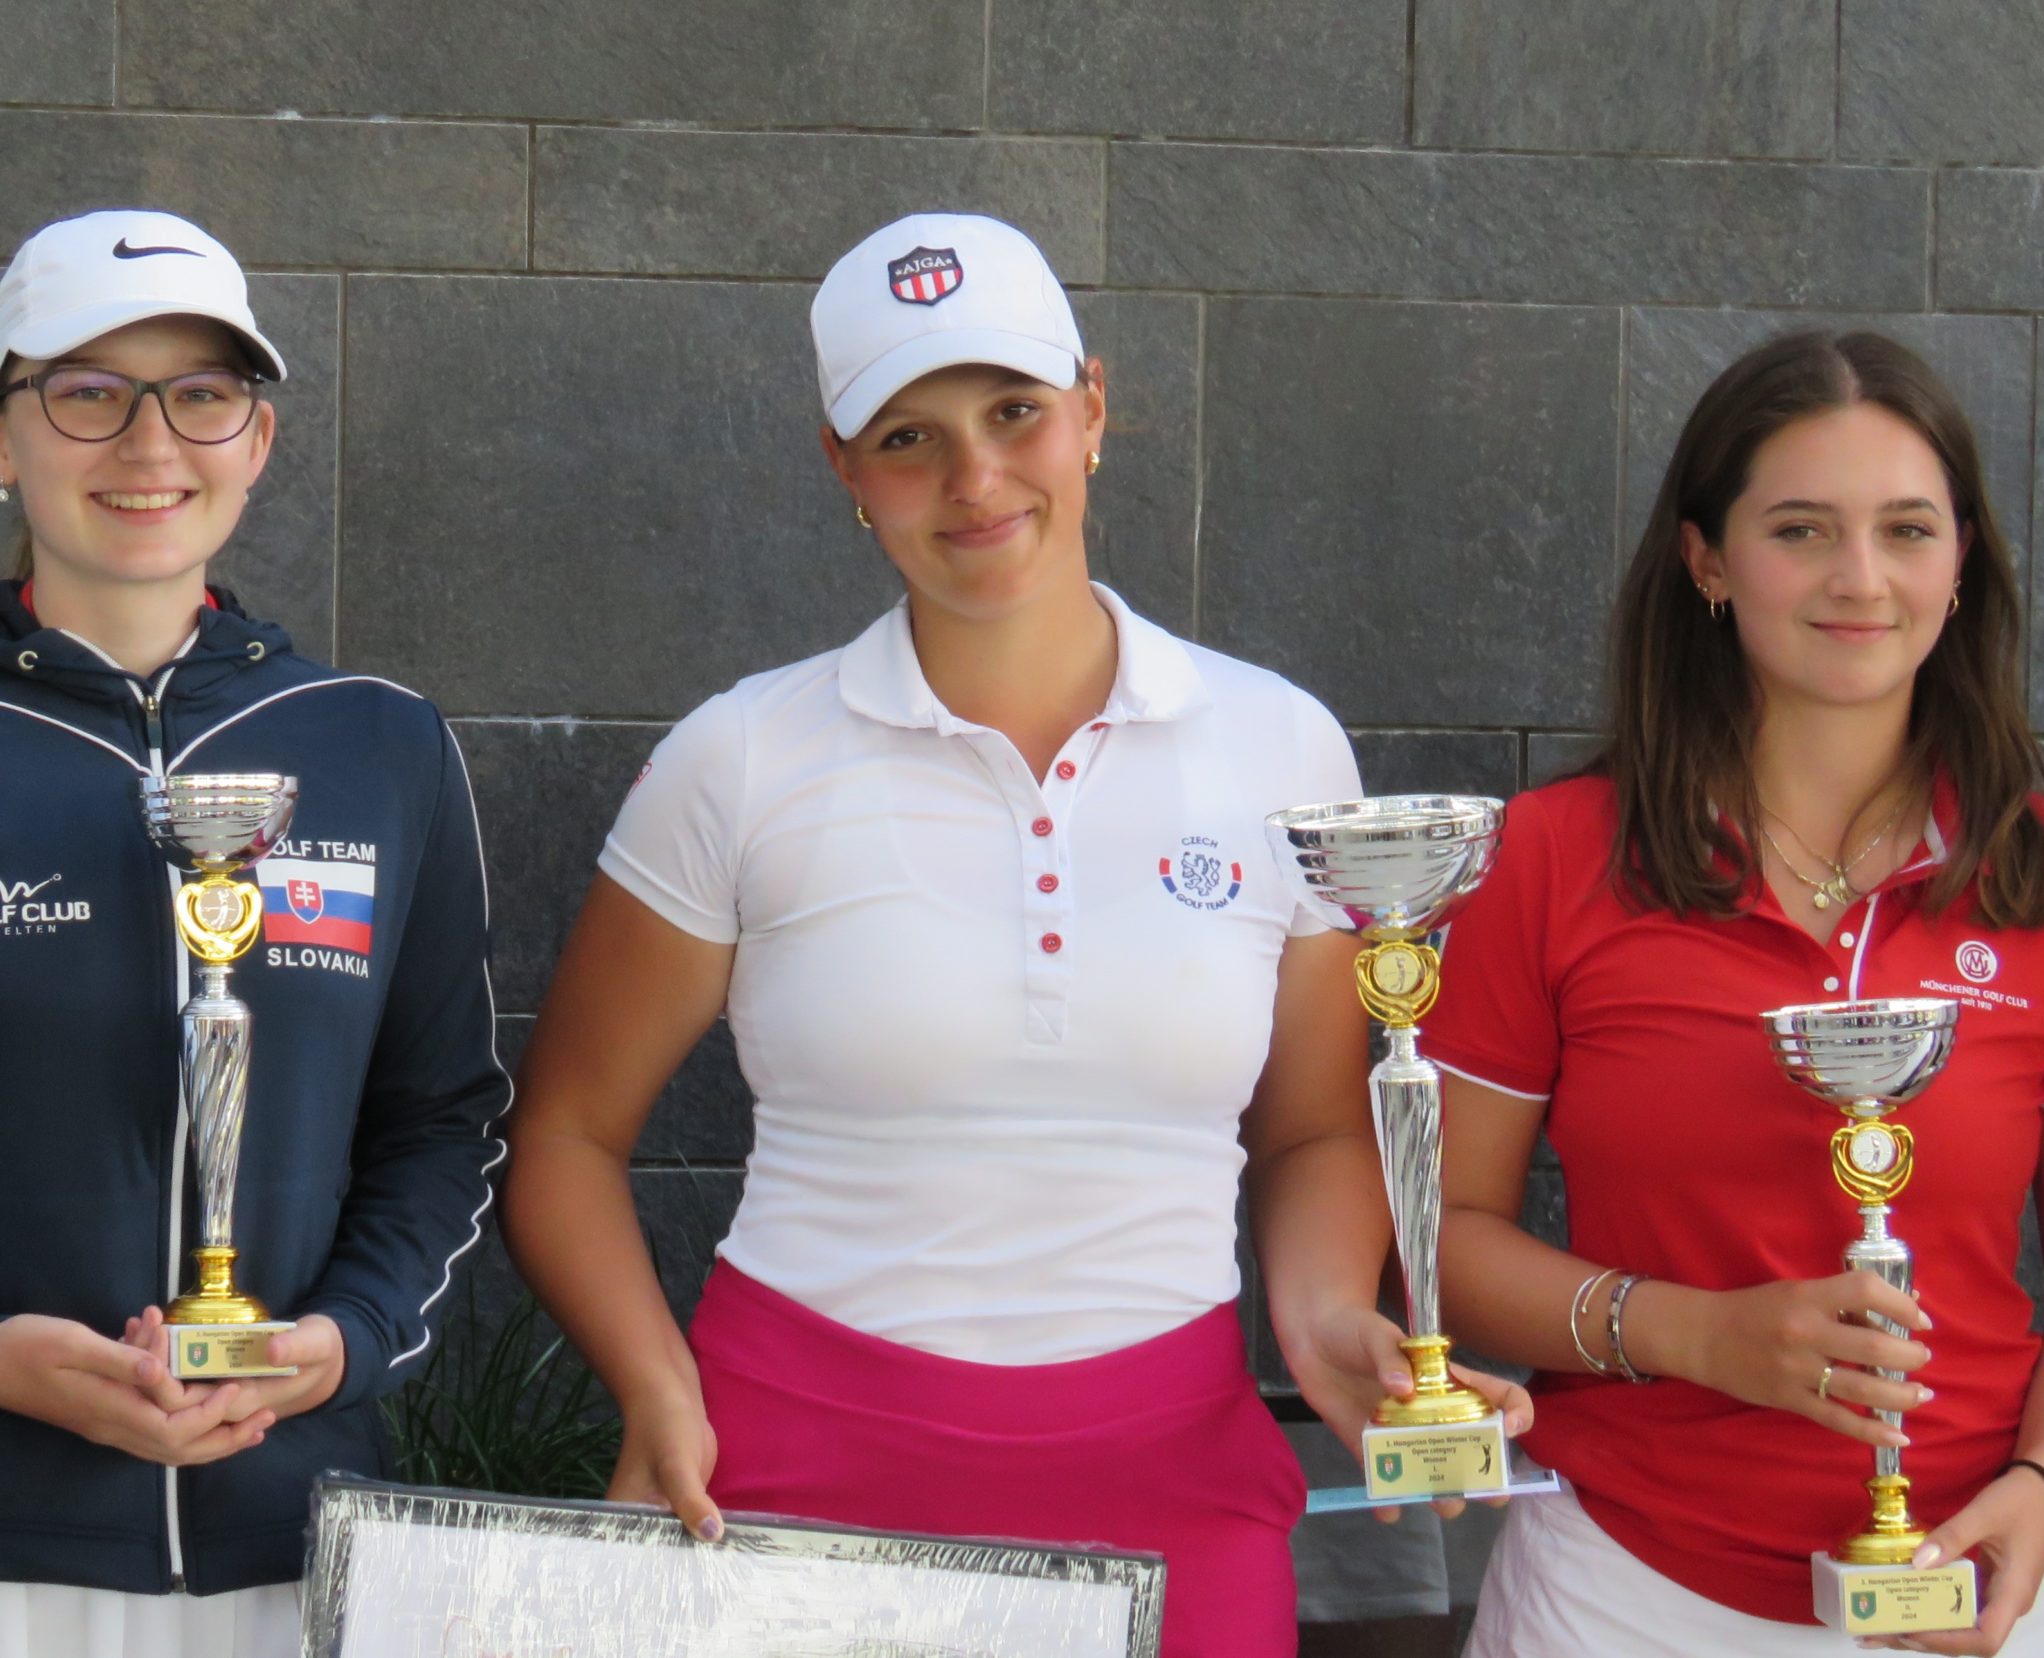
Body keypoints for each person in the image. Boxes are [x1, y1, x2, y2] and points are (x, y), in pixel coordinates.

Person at [500, 211, 1527, 1658]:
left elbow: (1308, 1131)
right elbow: (564, 1135)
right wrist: (658, 1387)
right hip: (795, 1472)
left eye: (1013, 412)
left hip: (1173, 1477)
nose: (974, 479)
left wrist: (1323, 1324)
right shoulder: (741, 756)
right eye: (908, 438)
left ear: (1093, 410)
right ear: (844, 468)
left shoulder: (1278, 743)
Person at [0, 209, 509, 1658]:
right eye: (87, 392)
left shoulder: (381, 746)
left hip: (300, 1555)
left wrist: (344, 1341)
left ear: (258, 437)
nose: (150, 442)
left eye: (202, 393)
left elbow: (446, 1124)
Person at [1419, 331, 2044, 1656]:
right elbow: (1440, 1240)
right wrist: (1696, 1334)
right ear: (1707, 560)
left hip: (1981, 1583)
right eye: (1801, 529)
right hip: (1625, 1594)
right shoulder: (1548, 857)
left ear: (1961, 563)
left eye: (1907, 529)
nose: (1860, 577)